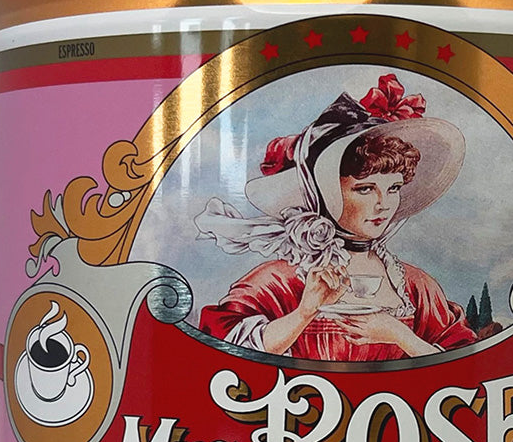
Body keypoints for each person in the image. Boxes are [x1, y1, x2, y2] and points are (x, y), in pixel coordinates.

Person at [197, 73, 477, 362]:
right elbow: (223, 351)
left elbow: (463, 365)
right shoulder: (280, 280)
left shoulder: (416, 287)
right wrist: (304, 313)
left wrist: (400, 335)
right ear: (326, 192)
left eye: (393, 188)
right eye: (365, 189)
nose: (383, 204)